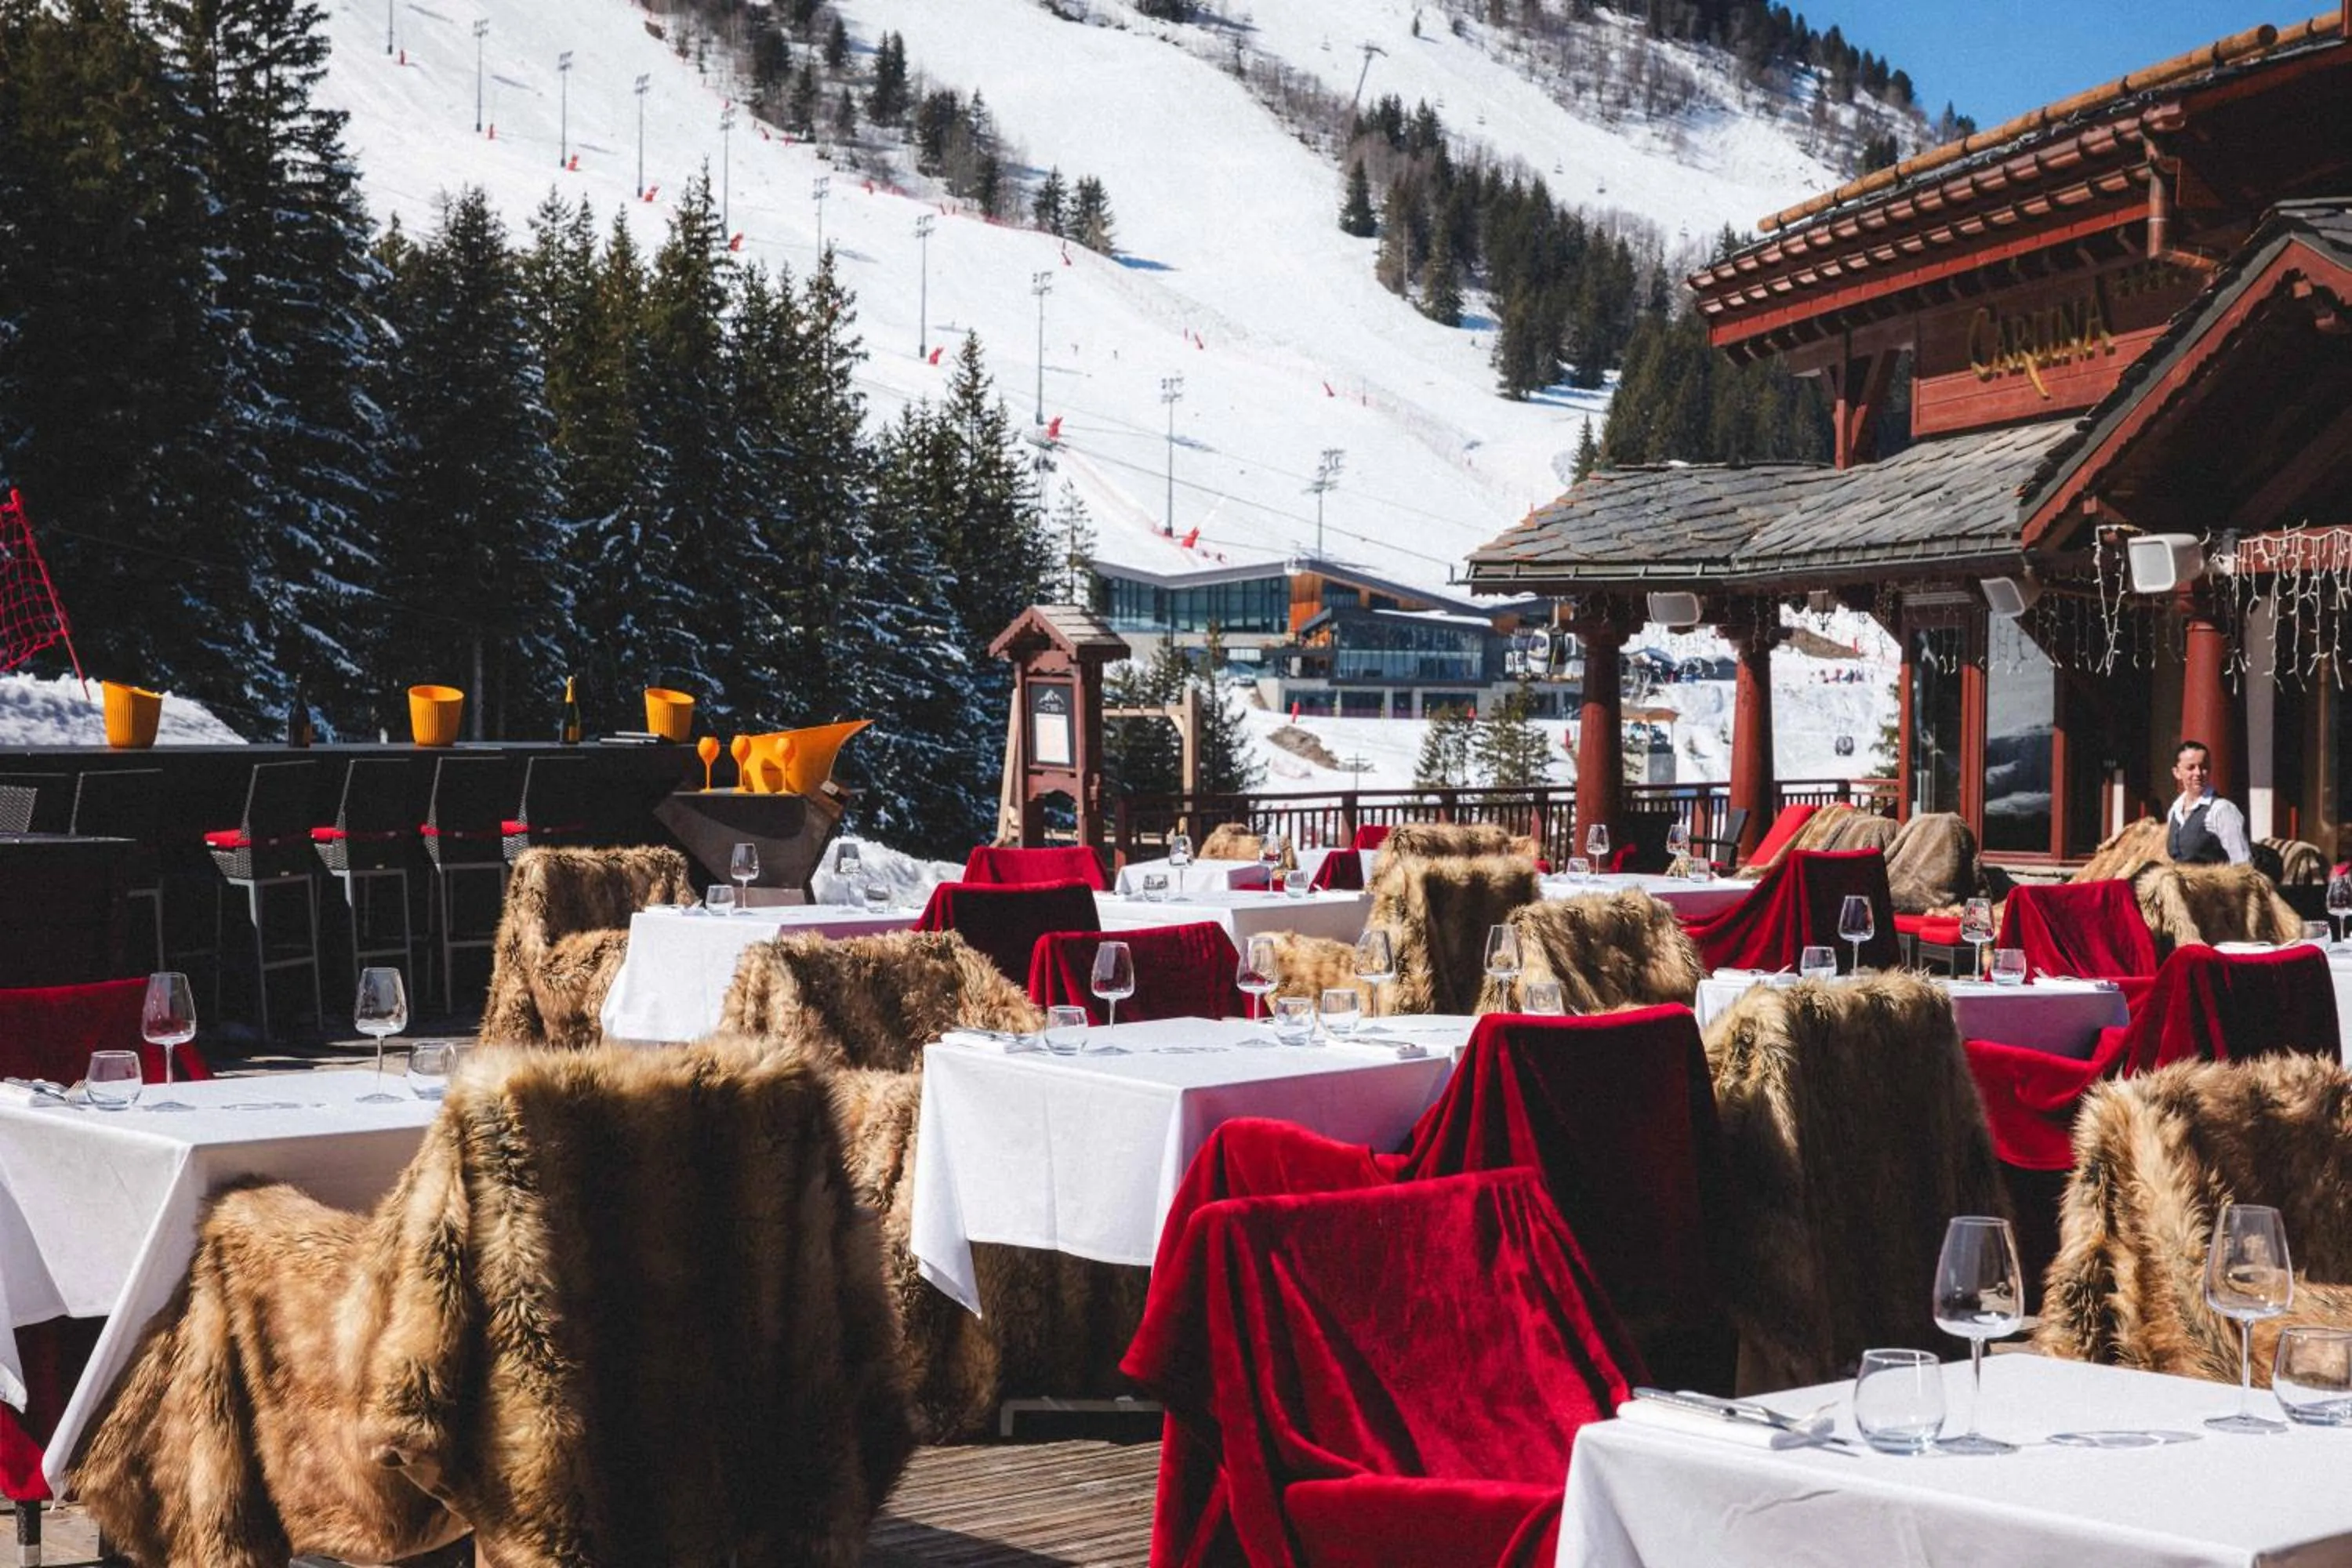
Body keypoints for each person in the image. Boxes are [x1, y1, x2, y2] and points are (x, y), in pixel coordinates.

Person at [2165, 739, 2251, 866]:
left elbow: (2242, 863)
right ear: (2177, 773)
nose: (2198, 773)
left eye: (2203, 767)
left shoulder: (2222, 809)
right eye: (2191, 768)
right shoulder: (2175, 811)